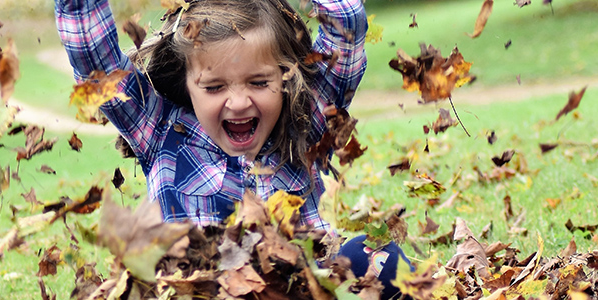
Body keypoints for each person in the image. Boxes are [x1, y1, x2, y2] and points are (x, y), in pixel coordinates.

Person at [54, 0, 410, 298]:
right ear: (186, 82)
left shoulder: (306, 119)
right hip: (204, 290)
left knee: (376, 253)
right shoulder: (160, 129)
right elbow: (94, 61)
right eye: (214, 87)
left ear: (285, 77)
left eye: (259, 82)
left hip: (298, 288)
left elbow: (345, 25)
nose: (238, 102)